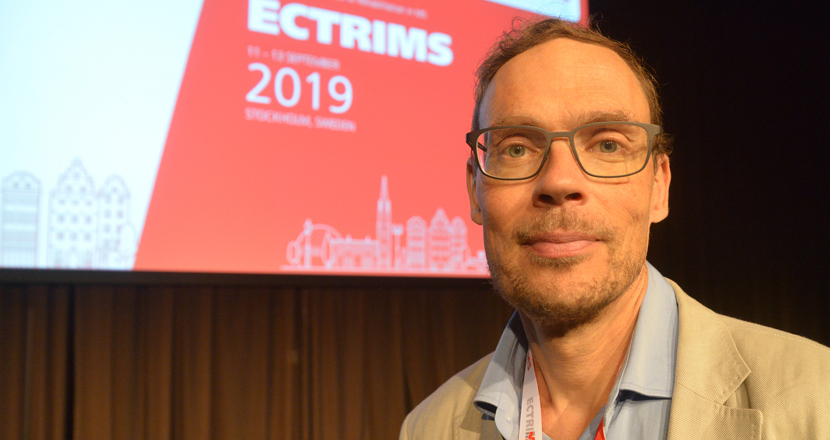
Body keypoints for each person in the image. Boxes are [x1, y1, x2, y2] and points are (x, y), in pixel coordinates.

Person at [399, 17, 830, 440]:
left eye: (607, 145)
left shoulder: (816, 397)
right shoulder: (427, 429)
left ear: (659, 187)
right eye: (516, 149)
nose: (559, 181)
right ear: (475, 191)